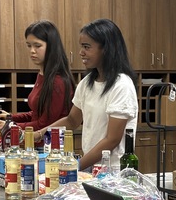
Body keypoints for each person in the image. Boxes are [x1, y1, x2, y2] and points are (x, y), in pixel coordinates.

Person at [46, 18, 137, 171]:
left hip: (113, 169)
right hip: (91, 164)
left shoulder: (122, 85)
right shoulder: (87, 82)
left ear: (106, 49)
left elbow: (111, 140)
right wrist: (38, 134)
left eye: (87, 47)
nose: (81, 52)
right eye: (81, 46)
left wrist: (75, 166)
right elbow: (72, 120)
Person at [0, 20, 73, 139]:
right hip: (35, 142)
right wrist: (11, 117)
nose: (32, 51)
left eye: (37, 46)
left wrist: (10, 126)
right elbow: (37, 113)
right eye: (29, 45)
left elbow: (44, 124)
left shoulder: (57, 82)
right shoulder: (43, 75)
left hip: (50, 146)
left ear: (51, 47)